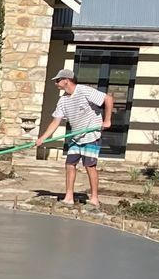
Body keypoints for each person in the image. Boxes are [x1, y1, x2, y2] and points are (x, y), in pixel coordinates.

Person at [39, 68, 112, 206]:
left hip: (91, 135)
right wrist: (42, 138)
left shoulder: (84, 91)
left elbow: (108, 99)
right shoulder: (63, 100)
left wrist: (107, 120)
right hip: (76, 137)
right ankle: (69, 197)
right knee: (70, 165)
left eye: (58, 80)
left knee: (90, 166)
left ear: (67, 80)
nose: (56, 84)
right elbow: (55, 121)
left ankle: (94, 198)